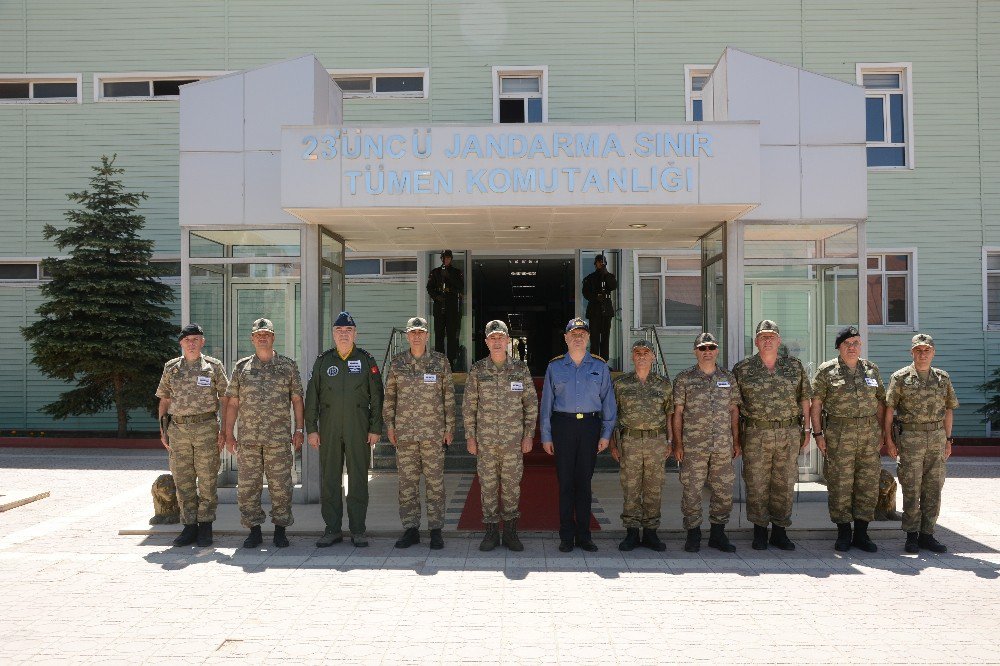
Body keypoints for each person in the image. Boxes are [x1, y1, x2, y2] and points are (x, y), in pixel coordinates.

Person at [304, 311, 384, 548]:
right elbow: (312, 398)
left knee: (358, 478)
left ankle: (358, 529)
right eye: (339, 331)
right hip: (328, 428)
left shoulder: (367, 360)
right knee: (330, 479)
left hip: (358, 427)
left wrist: (375, 427)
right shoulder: (323, 361)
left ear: (355, 333)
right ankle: (332, 529)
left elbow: (377, 397)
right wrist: (311, 429)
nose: (344, 334)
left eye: (348, 331)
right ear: (333, 334)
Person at [223, 318, 304, 549]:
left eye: (266, 334)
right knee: (248, 487)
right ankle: (254, 531)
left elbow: (297, 400)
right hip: (248, 441)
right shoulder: (241, 367)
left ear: (273, 337)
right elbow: (233, 403)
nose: (262, 338)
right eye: (258, 335)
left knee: (281, 487)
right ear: (252, 339)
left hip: (278, 440)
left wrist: (299, 429)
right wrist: (229, 434)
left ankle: (280, 530)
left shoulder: (287, 366)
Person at [732, 320, 812, 551]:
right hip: (756, 433)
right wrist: (736, 438)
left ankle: (779, 531)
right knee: (756, 483)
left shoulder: (793, 367)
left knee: (784, 483)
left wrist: (807, 430)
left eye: (772, 336)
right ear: (756, 342)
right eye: (763, 337)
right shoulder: (743, 369)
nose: (767, 340)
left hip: (788, 433)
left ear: (778, 340)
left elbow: (804, 399)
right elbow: (735, 407)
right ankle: (759, 531)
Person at [540, 317, 617, 553]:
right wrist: (546, 436)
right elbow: (546, 405)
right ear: (565, 338)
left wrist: (606, 433)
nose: (578, 337)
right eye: (573, 334)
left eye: (582, 333)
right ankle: (566, 535)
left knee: (584, 483)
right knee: (565, 483)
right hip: (563, 426)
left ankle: (584, 535)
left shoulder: (600, 367)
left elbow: (608, 403)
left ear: (588, 338)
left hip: (590, 427)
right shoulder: (554, 367)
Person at [463, 320, 538, 552]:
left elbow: (531, 404)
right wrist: (470, 437)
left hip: (513, 442)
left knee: (511, 487)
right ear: (486, 342)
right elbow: (469, 406)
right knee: (487, 487)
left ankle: (511, 532)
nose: (496, 342)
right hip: (485, 442)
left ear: (507, 341)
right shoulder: (477, 370)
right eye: (492, 338)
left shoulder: (520, 369)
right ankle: (491, 532)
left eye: (500, 338)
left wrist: (528, 435)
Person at [810, 325, 885, 553]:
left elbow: (881, 403)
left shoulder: (871, 370)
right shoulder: (827, 371)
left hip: (869, 435)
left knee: (868, 484)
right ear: (839, 347)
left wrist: (883, 433)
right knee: (840, 484)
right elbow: (816, 405)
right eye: (847, 344)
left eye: (856, 343)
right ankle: (843, 533)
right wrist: (818, 434)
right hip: (839, 435)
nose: (852, 348)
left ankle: (862, 534)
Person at [383, 316, 455, 550]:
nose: (416, 336)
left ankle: (436, 530)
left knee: (435, 484)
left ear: (427, 336)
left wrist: (449, 428)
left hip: (433, 434)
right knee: (407, 484)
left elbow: (449, 398)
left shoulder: (439, 362)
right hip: (405, 434)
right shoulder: (397, 363)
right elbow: (390, 397)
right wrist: (390, 426)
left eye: (420, 332)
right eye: (412, 332)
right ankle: (411, 529)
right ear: (407, 336)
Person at [884, 333, 958, 554]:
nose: (922, 354)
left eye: (927, 350)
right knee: (911, 487)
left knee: (934, 488)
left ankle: (928, 534)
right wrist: (888, 439)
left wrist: (948, 439)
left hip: (936, 438)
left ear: (933, 353)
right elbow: (889, 410)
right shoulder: (900, 377)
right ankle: (911, 535)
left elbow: (948, 410)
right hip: (910, 440)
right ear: (912, 353)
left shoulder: (942, 378)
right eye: (918, 350)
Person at [155, 324, 229, 547]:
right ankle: (189, 527)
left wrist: (224, 430)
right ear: (181, 343)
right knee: (183, 480)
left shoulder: (213, 367)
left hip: (206, 429)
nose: (191, 343)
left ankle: (205, 527)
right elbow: (165, 400)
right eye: (187, 340)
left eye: (196, 339)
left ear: (202, 342)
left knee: (207, 479)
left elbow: (225, 399)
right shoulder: (171, 368)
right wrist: (163, 430)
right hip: (178, 431)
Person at [672, 332, 741, 553]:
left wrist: (736, 441)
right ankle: (693, 534)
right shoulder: (684, 379)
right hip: (694, 446)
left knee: (723, 490)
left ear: (717, 351)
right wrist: (678, 444)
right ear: (695, 352)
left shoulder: (728, 378)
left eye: (711, 348)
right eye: (702, 348)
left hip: (722, 445)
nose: (707, 352)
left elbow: (734, 411)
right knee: (691, 490)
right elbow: (678, 413)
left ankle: (718, 534)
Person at [610, 339, 672, 552]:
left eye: (646, 352)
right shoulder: (621, 384)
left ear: (653, 357)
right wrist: (613, 444)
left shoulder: (663, 384)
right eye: (638, 352)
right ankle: (631, 532)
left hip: (656, 441)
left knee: (654, 488)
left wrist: (670, 441)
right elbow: (612, 416)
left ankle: (651, 533)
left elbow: (670, 415)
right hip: (630, 441)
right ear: (632, 356)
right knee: (631, 487)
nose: (642, 356)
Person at [426, 249, 464, 370]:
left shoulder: (456, 272)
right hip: (439, 306)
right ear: (441, 259)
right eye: (444, 258)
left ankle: (451, 362)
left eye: (448, 258)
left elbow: (460, 287)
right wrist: (437, 297)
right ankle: (439, 361)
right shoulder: (435, 272)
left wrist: (449, 277)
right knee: (439, 335)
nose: (446, 260)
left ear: (451, 259)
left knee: (452, 335)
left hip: (451, 307)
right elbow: (429, 288)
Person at [581, 254, 617, 362]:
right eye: (599, 262)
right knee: (595, 338)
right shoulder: (590, 278)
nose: (601, 264)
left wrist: (605, 274)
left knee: (605, 338)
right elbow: (586, 293)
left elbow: (613, 286)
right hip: (594, 311)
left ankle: (604, 362)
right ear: (595, 263)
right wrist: (596, 297)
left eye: (602, 262)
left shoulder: (609, 276)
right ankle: (595, 361)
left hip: (606, 311)